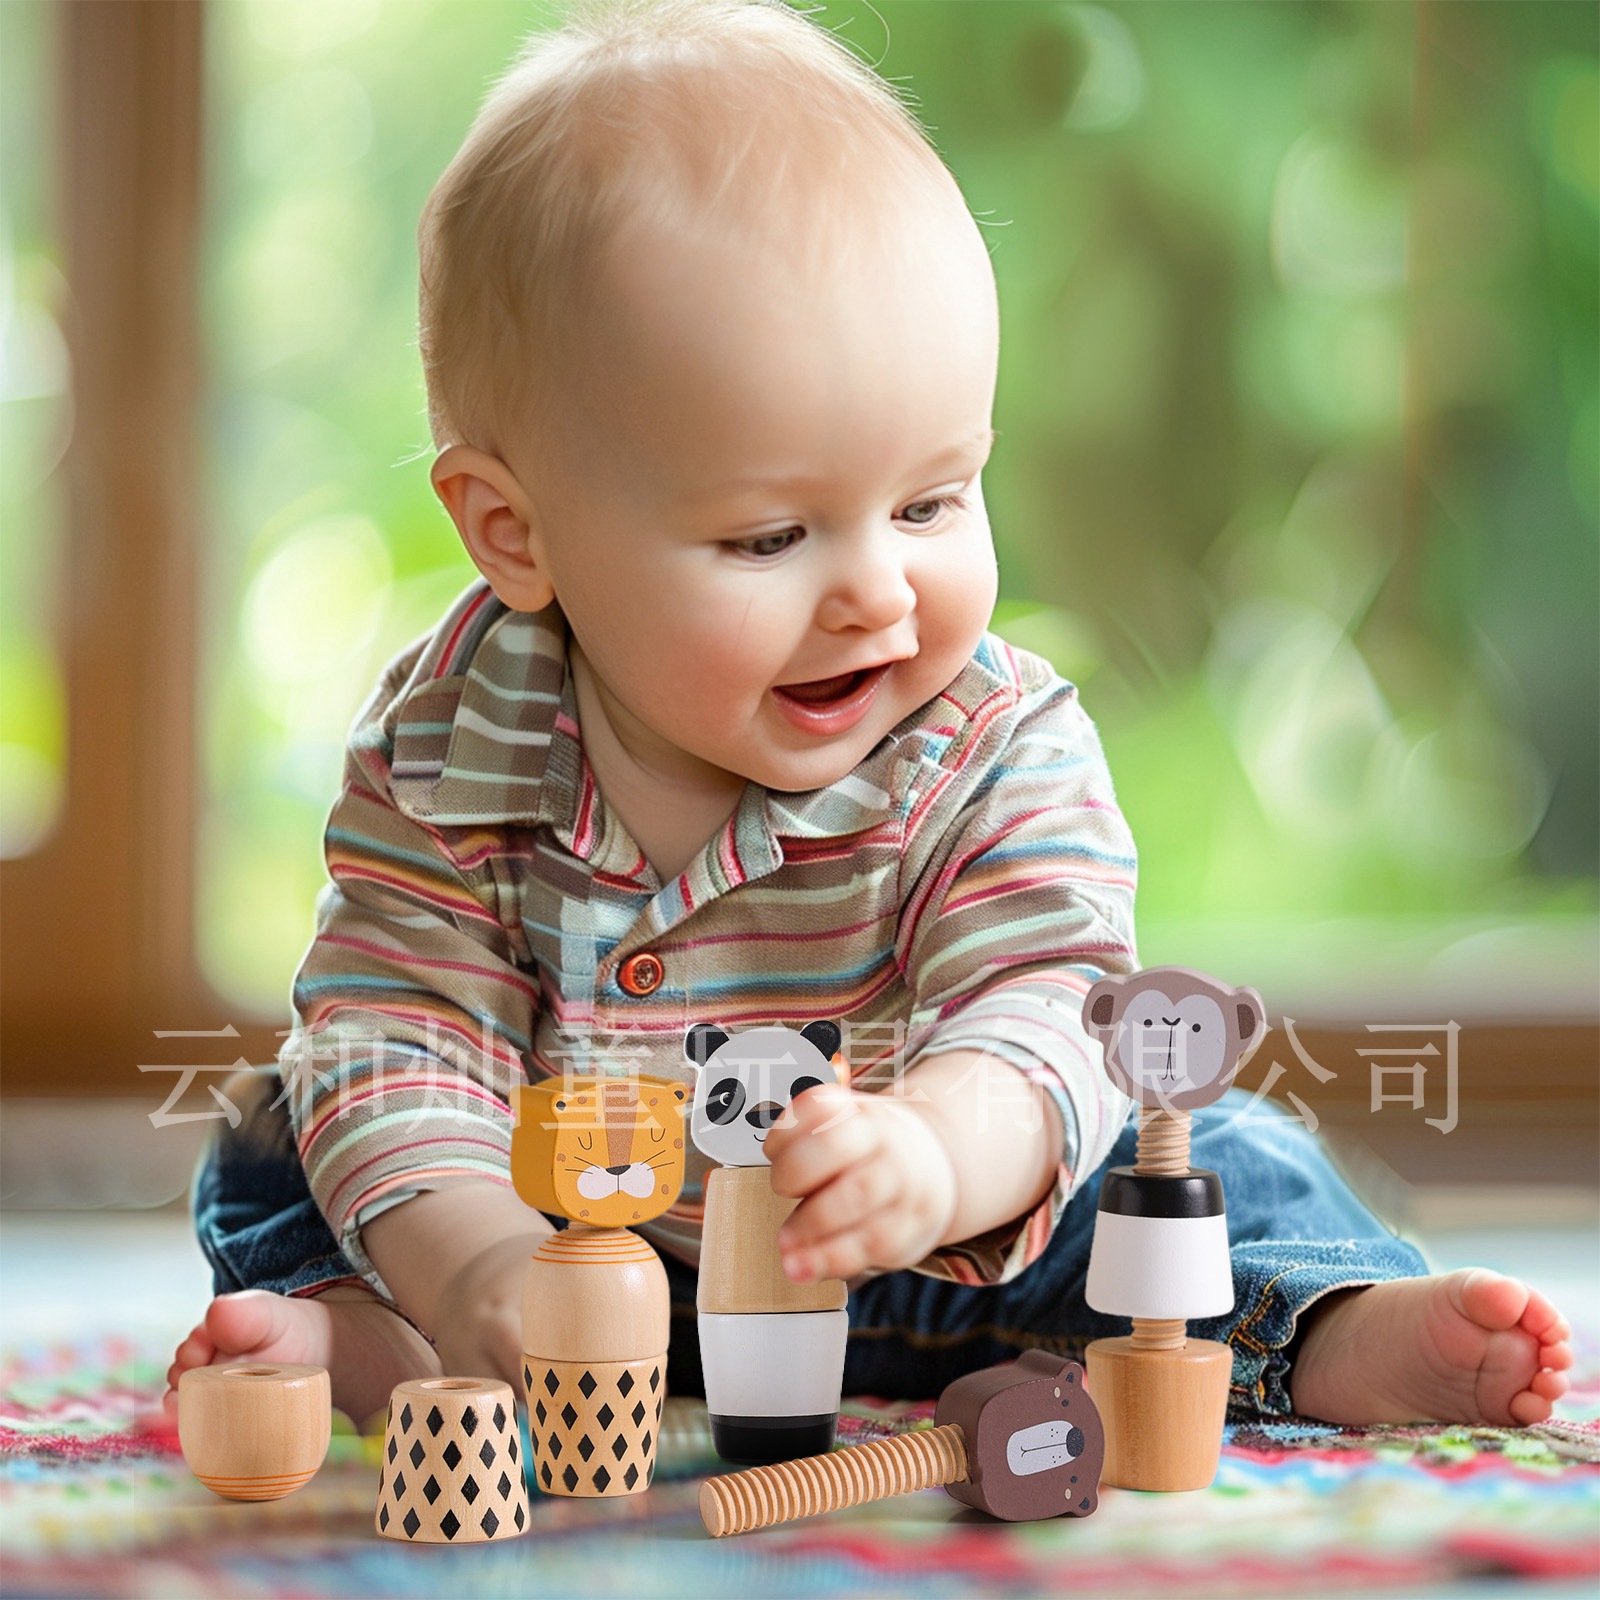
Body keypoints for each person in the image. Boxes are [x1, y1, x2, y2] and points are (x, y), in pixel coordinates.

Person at [167, 0, 1570, 1432]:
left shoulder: (995, 745)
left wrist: (935, 1153)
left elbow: (1046, 1007)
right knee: (298, 1117)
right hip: (594, 1267)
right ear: (516, 533)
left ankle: (1318, 1326)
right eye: (772, 539)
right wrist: (482, 1268)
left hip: (956, 1253)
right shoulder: (446, 750)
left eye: (930, 503)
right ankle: (391, 1338)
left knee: (1213, 1155)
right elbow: (410, 1028)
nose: (877, 594)